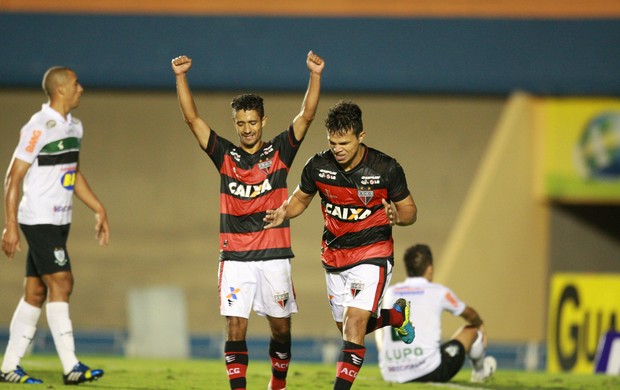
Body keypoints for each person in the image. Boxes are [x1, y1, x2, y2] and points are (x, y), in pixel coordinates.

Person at [171, 50, 324, 390]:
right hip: (236, 257)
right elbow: (193, 120)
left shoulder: (280, 151)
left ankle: (278, 384)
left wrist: (315, 75)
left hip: (275, 256)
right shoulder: (226, 156)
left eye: (252, 122)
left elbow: (308, 115)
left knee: (281, 329)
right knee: (235, 328)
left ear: (263, 121)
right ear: (235, 124)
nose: (247, 129)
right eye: (240, 123)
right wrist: (181, 77)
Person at [264, 100, 418, 390]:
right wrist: (284, 211)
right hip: (334, 257)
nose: (338, 148)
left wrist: (397, 216)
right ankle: (397, 316)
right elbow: (300, 199)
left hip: (373, 253)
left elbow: (410, 210)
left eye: (344, 142)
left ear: (361, 136)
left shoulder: (386, 168)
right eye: (333, 142)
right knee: (348, 329)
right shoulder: (318, 166)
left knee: (354, 324)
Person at [1, 67, 108, 385]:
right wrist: (9, 226)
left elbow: (71, 173)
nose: (81, 88)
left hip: (60, 220)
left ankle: (8, 367)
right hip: (38, 218)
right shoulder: (38, 126)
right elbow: (13, 177)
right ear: (60, 90)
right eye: (76, 84)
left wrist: (98, 207)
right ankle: (71, 366)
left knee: (35, 292)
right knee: (62, 282)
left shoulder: (75, 126)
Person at [375, 244, 497, 383]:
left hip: (391, 372)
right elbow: (469, 314)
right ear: (430, 268)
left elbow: (382, 331)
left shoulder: (391, 292)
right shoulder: (438, 292)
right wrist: (480, 324)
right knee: (472, 330)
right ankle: (480, 371)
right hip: (428, 371)